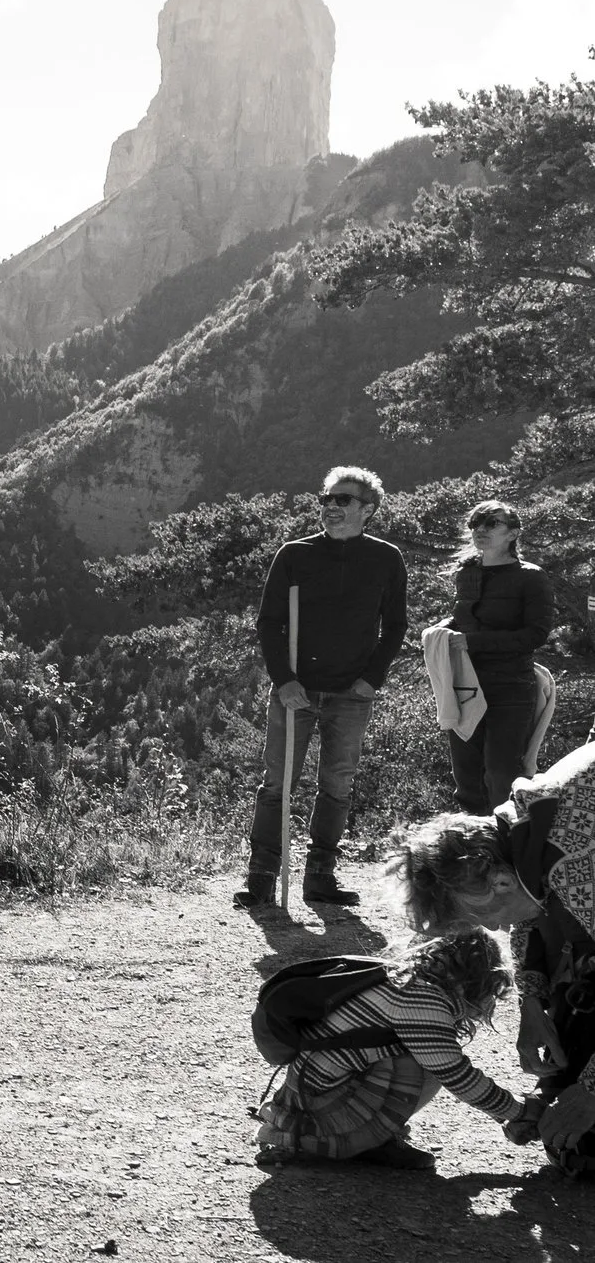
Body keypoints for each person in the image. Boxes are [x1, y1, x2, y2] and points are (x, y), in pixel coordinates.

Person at [395, 742, 595, 1174]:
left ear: (500, 882)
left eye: (484, 916)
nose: (496, 929)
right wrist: (533, 1002)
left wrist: (593, 1090)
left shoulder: (573, 858)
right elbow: (531, 913)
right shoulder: (520, 834)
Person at [239, 465, 409, 910]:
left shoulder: (386, 558)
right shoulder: (294, 554)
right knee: (277, 785)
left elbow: (395, 627)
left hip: (351, 694)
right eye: (326, 500)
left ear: (367, 509)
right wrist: (284, 680)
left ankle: (320, 877)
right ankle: (261, 878)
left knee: (337, 785)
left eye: (343, 500)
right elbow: (269, 623)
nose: (331, 508)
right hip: (297, 688)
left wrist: (371, 680)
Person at [254, 931, 539, 1171]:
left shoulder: (404, 980)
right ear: (474, 981)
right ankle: (368, 1141)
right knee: (429, 1065)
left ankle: (368, 1136)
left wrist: (504, 1113)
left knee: (429, 1053)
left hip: (307, 1094)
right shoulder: (422, 1000)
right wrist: (518, 1111)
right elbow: (455, 1074)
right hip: (320, 1108)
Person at [443, 500, 555, 814]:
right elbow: (461, 619)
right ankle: (475, 850)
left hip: (511, 687)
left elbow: (535, 635)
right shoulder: (466, 573)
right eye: (475, 524)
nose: (480, 530)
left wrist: (471, 641)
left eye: (492, 524)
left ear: (513, 533)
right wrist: (439, 632)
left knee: (502, 772)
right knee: (467, 776)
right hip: (465, 684)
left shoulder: (531, 577)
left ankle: (511, 847)